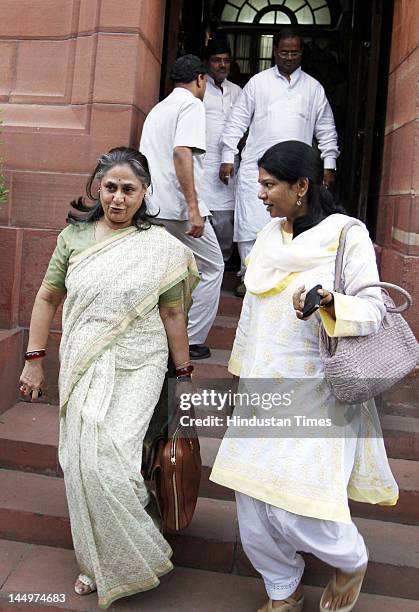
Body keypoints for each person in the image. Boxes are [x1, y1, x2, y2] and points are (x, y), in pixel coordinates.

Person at [210, 141, 398, 612]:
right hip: (262, 386)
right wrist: (241, 375)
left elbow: (375, 309)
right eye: (260, 183)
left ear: (302, 186)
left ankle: (351, 559)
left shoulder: (346, 235)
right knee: (252, 498)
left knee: (297, 500)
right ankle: (282, 589)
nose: (260, 193)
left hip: (320, 387)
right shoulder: (268, 239)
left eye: (270, 184)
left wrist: (330, 301)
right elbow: (251, 316)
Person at [18, 147, 199, 609]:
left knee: (114, 463)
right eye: (111, 187)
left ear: (145, 193)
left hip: (140, 363)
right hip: (84, 361)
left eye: (129, 189)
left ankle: (132, 546)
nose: (118, 198)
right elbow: (45, 298)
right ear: (97, 188)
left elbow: (174, 311)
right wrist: (34, 358)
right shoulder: (73, 239)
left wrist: (183, 373)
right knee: (82, 462)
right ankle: (94, 560)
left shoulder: (161, 248)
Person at [219, 28, 339, 298]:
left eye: (294, 52)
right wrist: (228, 156)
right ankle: (250, 278)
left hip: (297, 174)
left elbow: (326, 129)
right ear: (275, 52)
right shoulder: (258, 83)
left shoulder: (313, 88)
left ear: (301, 53)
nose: (288, 57)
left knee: (293, 224)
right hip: (256, 167)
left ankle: (285, 281)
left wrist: (328, 162)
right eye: (283, 52)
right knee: (252, 224)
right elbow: (236, 121)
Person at [140, 54, 224, 360]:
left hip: (152, 206)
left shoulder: (158, 109)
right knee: (213, 266)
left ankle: (162, 337)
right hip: (176, 209)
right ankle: (190, 341)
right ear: (201, 79)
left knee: (165, 272)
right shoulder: (192, 104)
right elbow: (181, 152)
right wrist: (193, 208)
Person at [201, 38, 242, 263]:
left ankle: (222, 264)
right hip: (204, 165)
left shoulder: (237, 91)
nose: (222, 65)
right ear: (206, 63)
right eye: (216, 60)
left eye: (226, 60)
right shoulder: (198, 89)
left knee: (227, 221)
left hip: (229, 164)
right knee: (205, 219)